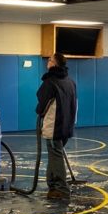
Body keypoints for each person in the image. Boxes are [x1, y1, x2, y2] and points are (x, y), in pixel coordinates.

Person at [36, 52, 77, 200]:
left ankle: (61, 189)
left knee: (56, 156)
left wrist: (39, 112)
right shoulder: (70, 81)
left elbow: (43, 102)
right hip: (67, 126)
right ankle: (52, 185)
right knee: (54, 156)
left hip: (54, 126)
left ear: (55, 64)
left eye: (50, 59)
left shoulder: (51, 82)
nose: (48, 61)